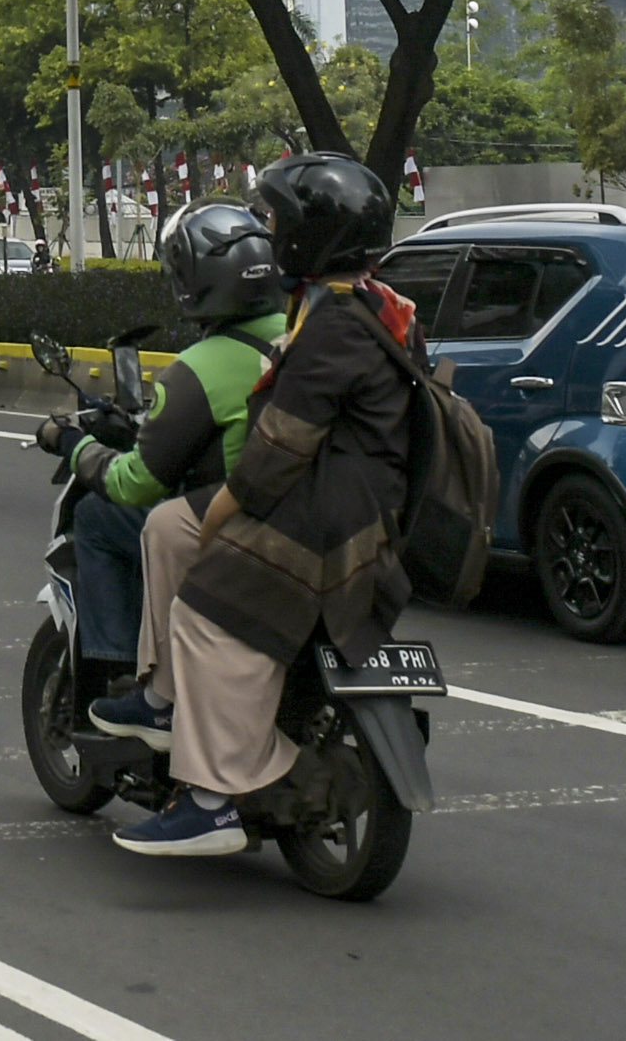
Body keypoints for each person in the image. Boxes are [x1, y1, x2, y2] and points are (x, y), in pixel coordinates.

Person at [110, 152, 418, 859]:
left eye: (277, 219)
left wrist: (223, 518)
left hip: (327, 524)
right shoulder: (366, 301)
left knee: (204, 608)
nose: (269, 231)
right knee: (166, 524)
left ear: (312, 235)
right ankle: (162, 697)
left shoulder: (335, 323)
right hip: (350, 506)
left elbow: (273, 456)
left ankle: (213, 799)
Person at [35, 205, 289, 714]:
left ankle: (130, 678)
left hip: (234, 529)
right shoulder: (303, 336)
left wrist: (72, 444)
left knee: (98, 517)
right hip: (303, 521)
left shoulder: (197, 369)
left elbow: (137, 483)